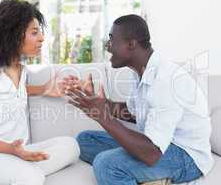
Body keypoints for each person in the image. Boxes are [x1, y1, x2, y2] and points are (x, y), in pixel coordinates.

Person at [64, 14, 213, 185]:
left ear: (131, 44)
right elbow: (134, 113)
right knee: (85, 140)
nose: (107, 46)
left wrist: (102, 116)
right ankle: (151, 175)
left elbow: (152, 153)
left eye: (112, 40)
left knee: (106, 164)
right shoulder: (141, 72)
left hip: (186, 156)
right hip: (158, 144)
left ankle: (146, 173)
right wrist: (102, 104)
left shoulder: (165, 81)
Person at [0, 0, 80, 185]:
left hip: (13, 153)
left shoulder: (21, 70)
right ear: (13, 34)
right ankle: (3, 175)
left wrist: (44, 89)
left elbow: (10, 93)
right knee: (32, 177)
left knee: (71, 146)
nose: (42, 38)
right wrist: (11, 149)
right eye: (34, 33)